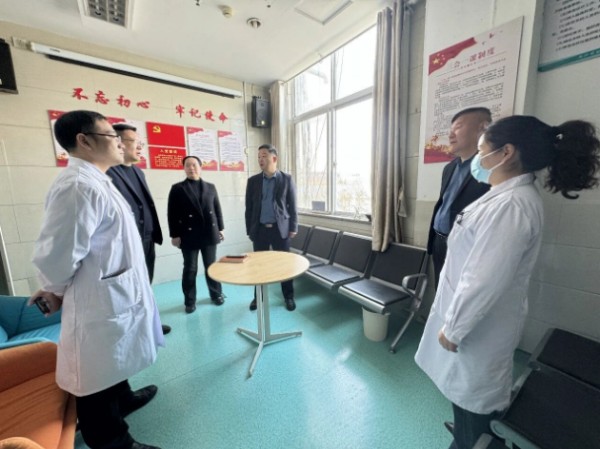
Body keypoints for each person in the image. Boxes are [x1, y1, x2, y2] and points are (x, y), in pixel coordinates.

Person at [415, 115, 600, 449]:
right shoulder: (503, 196)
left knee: (476, 409)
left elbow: (483, 278)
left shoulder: (512, 205)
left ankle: (476, 441)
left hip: (478, 330)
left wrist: (454, 328)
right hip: (473, 323)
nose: (477, 158)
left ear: (506, 153)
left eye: (482, 149)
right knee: (465, 404)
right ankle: (467, 437)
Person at [30, 110, 165, 449]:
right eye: (111, 136)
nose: (120, 142)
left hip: (114, 289)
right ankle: (111, 440)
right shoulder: (77, 186)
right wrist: (55, 290)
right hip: (97, 298)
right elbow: (57, 254)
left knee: (114, 356)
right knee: (96, 371)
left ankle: (124, 399)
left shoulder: (99, 179)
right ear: (84, 141)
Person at [107, 122, 171, 335]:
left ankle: (148, 323)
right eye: (135, 142)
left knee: (145, 283)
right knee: (129, 288)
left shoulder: (138, 171)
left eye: (141, 142)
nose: (140, 147)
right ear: (118, 143)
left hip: (147, 239)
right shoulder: (108, 172)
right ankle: (134, 329)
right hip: (127, 243)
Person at [427, 107, 492, 287]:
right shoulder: (449, 168)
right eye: (450, 129)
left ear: (482, 128)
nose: (450, 135)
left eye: (458, 127)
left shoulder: (490, 168)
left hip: (466, 249)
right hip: (439, 242)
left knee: (459, 296)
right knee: (440, 292)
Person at [167, 155, 225, 314]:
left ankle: (216, 294)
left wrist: (220, 228)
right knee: (190, 268)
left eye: (194, 165)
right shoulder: (177, 188)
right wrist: (174, 235)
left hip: (209, 233)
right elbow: (172, 214)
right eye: (187, 165)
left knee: (211, 266)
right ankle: (190, 301)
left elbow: (217, 209)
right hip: (188, 234)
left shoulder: (211, 187)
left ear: (200, 167)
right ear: (184, 168)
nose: (191, 168)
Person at [245, 144, 298, 311]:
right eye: (258, 157)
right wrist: (249, 230)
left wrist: (293, 227)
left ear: (274, 158)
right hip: (260, 230)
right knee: (258, 266)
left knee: (284, 265)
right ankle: (258, 298)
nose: (260, 159)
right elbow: (249, 208)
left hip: (280, 230)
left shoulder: (286, 179)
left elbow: (293, 206)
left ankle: (288, 296)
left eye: (264, 156)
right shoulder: (253, 181)